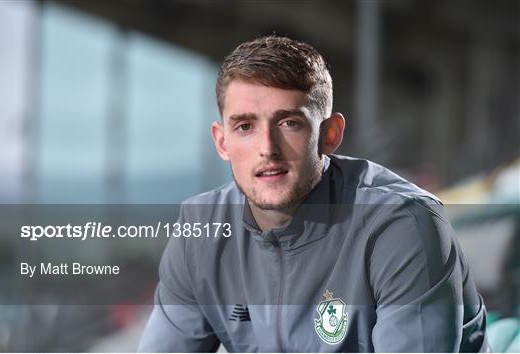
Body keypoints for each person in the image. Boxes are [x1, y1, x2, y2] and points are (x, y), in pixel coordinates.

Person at [138, 36, 488, 352]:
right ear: (222, 141)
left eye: (289, 122)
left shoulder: (403, 224)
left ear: (330, 134)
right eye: (245, 126)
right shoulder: (201, 231)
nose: (267, 148)